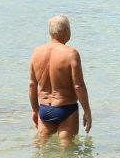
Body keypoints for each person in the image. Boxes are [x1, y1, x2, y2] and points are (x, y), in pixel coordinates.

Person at [28, 15, 93, 143]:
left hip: (44, 109)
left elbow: (32, 85)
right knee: (67, 152)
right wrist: (87, 111)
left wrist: (35, 110)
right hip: (66, 109)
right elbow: (78, 86)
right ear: (66, 31)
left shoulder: (36, 52)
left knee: (42, 149)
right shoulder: (71, 54)